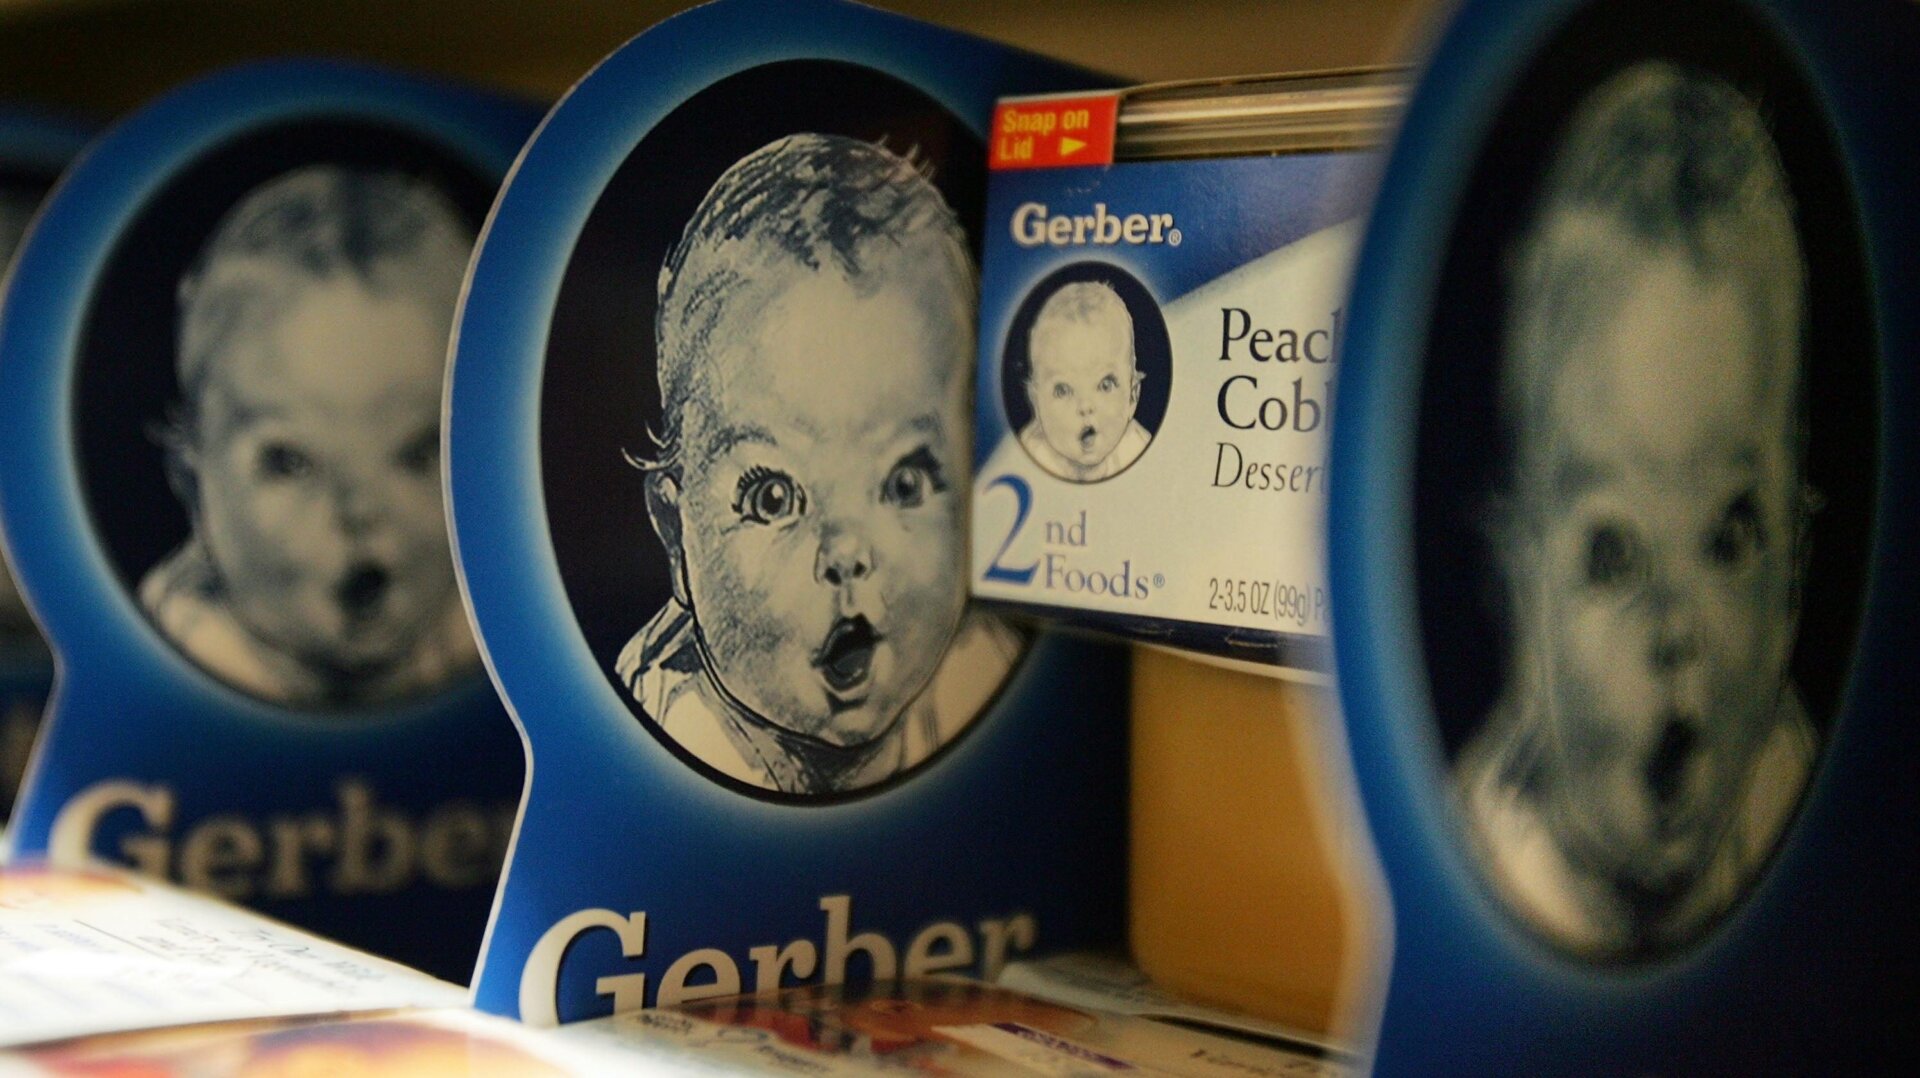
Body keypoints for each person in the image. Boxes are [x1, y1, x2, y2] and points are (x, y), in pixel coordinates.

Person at [1456, 61, 1818, 957]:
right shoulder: (1474, 867)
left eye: (1728, 537)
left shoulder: (1819, 829)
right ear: (1520, 585)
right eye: (1613, 554)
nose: (1674, 630)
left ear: (1794, 579)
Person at [619, 133, 1020, 796]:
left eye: (904, 483)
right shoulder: (653, 741)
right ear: (674, 531)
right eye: (774, 496)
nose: (846, 551)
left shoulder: (979, 671)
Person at [141, 165, 478, 708]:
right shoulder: (171, 655)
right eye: (290, 461)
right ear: (190, 476)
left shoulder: (488, 633)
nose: (359, 510)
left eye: (418, 454)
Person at [1017, 280, 1151, 483]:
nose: (1085, 406)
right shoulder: (1028, 460)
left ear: (1132, 397)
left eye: (1105, 385)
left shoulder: (1137, 448)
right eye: (1063, 390)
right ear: (1036, 402)